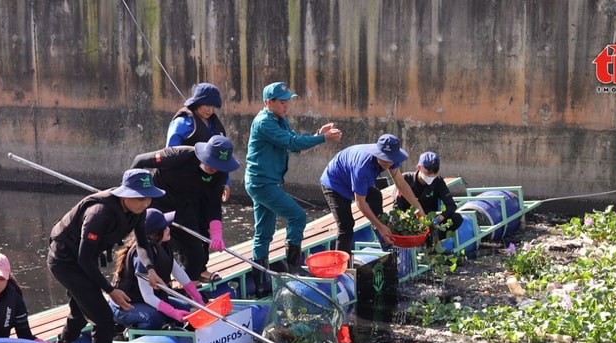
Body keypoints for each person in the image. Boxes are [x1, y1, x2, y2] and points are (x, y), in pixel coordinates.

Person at [47, 168, 165, 343]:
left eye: (149, 197)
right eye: (140, 198)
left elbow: (142, 244)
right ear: (125, 195)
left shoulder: (137, 211)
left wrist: (150, 269)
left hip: (85, 259)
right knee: (102, 317)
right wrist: (110, 290)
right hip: (66, 260)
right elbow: (83, 258)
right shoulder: (99, 213)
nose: (145, 203)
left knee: (79, 313)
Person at [244, 81, 342, 296]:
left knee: (264, 232)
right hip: (261, 183)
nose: (286, 105)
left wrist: (317, 135)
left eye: (288, 101)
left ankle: (261, 285)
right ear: (269, 102)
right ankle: (293, 268)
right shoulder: (264, 123)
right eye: (282, 102)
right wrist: (323, 138)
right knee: (297, 216)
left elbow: (296, 144)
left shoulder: (280, 119)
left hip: (265, 182)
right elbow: (293, 143)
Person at [129, 135, 240, 284]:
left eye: (219, 165)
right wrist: (130, 194)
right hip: (156, 203)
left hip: (183, 206)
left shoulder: (220, 172)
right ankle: (155, 286)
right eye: (211, 162)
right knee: (156, 247)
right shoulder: (178, 155)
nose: (214, 168)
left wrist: (216, 232)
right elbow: (139, 160)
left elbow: (213, 204)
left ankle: (190, 291)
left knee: (196, 253)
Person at [320, 134, 426, 255]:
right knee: (346, 225)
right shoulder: (362, 167)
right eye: (384, 159)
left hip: (352, 177)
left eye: (390, 160)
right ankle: (342, 267)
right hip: (335, 184)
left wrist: (419, 209)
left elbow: (401, 183)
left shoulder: (391, 161)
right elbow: (360, 202)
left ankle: (386, 243)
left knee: (375, 197)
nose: (387, 163)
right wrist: (380, 226)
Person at [109, 208, 205, 330]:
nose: (169, 229)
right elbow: (147, 296)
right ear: (153, 234)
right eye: (164, 228)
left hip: (145, 300)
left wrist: (197, 298)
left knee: (185, 307)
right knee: (154, 317)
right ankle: (128, 330)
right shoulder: (140, 258)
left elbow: (178, 273)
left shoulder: (163, 245)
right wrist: (172, 312)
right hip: (127, 304)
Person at [166, 82, 232, 203]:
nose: (211, 110)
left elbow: (223, 156)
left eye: (214, 107)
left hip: (210, 182)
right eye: (207, 105)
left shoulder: (215, 124)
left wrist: (225, 182)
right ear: (197, 103)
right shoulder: (182, 123)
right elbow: (171, 153)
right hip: (186, 181)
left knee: (211, 216)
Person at [394, 151, 461, 239]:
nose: (431, 176)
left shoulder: (438, 181)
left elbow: (451, 205)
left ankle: (434, 239)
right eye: (429, 173)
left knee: (456, 218)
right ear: (419, 167)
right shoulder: (405, 179)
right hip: (410, 221)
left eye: (435, 173)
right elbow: (397, 207)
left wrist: (440, 218)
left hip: (430, 221)